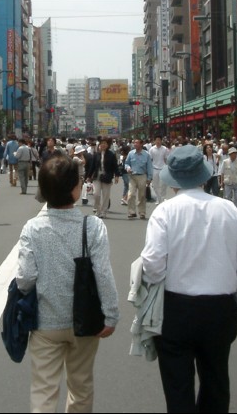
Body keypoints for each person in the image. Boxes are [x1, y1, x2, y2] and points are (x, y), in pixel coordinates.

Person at [142, 145, 237, 412]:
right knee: (216, 382)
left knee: (177, 386)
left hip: (176, 307)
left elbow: (152, 263)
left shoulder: (165, 211)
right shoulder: (228, 210)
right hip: (220, 307)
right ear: (204, 177)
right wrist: (234, 300)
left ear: (173, 181)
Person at [16, 155, 119, 412]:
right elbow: (103, 273)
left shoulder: (32, 228)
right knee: (81, 386)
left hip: (46, 322)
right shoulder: (92, 225)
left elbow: (25, 278)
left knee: (43, 389)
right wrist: (111, 314)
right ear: (75, 189)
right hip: (84, 321)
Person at [85, 138, 119, 219]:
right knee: (96, 194)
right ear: (99, 144)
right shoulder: (96, 154)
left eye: (105, 143)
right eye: (102, 143)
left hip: (107, 177)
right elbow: (92, 166)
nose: (103, 145)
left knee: (105, 195)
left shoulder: (111, 155)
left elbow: (115, 166)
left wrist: (116, 175)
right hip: (97, 177)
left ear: (107, 145)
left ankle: (103, 211)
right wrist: (89, 176)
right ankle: (98, 210)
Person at [125, 138, 153, 220]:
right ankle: (131, 212)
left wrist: (149, 178)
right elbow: (126, 163)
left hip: (142, 176)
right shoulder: (131, 153)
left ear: (141, 144)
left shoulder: (146, 155)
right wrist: (128, 168)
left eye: (137, 143)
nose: (135, 144)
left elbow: (149, 167)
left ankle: (142, 212)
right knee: (130, 194)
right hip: (132, 176)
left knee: (142, 195)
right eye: (134, 143)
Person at [218, 147, 237, 211]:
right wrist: (222, 182)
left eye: (235, 153)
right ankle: (229, 210)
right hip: (228, 181)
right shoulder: (225, 162)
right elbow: (222, 172)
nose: (234, 155)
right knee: (227, 197)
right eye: (233, 154)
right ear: (230, 154)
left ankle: (236, 210)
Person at [149, 136, 170, 203]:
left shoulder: (164, 149)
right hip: (154, 168)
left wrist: (168, 168)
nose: (158, 142)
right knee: (155, 185)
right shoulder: (152, 149)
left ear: (161, 141)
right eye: (156, 140)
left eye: (159, 140)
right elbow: (150, 159)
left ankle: (163, 198)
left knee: (163, 184)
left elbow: (167, 159)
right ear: (154, 141)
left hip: (163, 168)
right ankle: (158, 198)